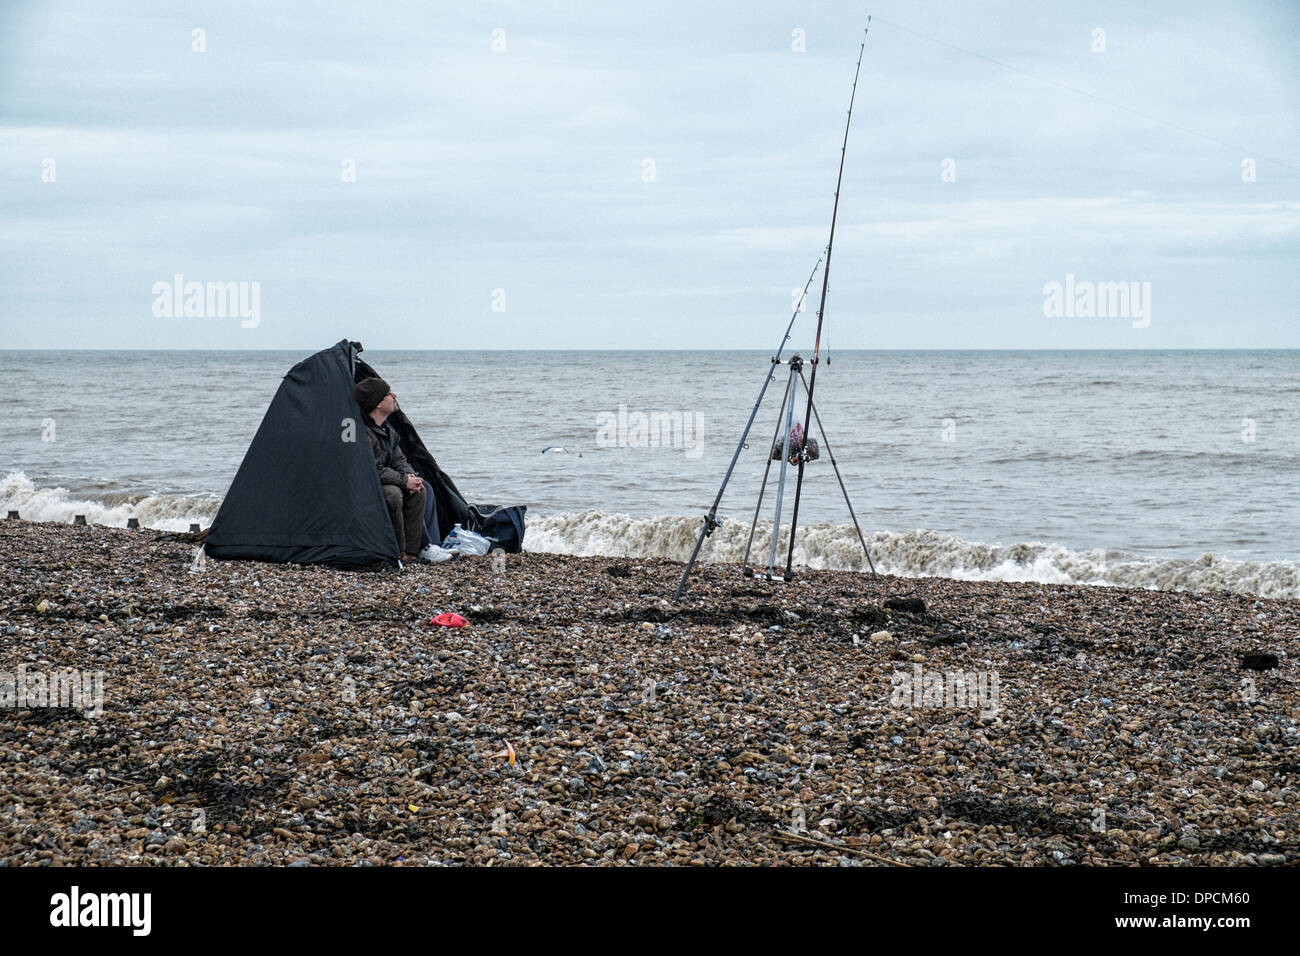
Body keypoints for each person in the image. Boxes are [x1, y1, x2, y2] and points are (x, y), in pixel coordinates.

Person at [354, 377, 449, 563]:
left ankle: (414, 552)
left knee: (422, 489)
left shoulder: (388, 431)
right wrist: (403, 480)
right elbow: (369, 469)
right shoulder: (363, 433)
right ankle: (397, 551)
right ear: (378, 403)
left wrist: (412, 478)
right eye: (388, 393)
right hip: (366, 485)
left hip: (386, 478)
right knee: (393, 493)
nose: (394, 395)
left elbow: (400, 460)